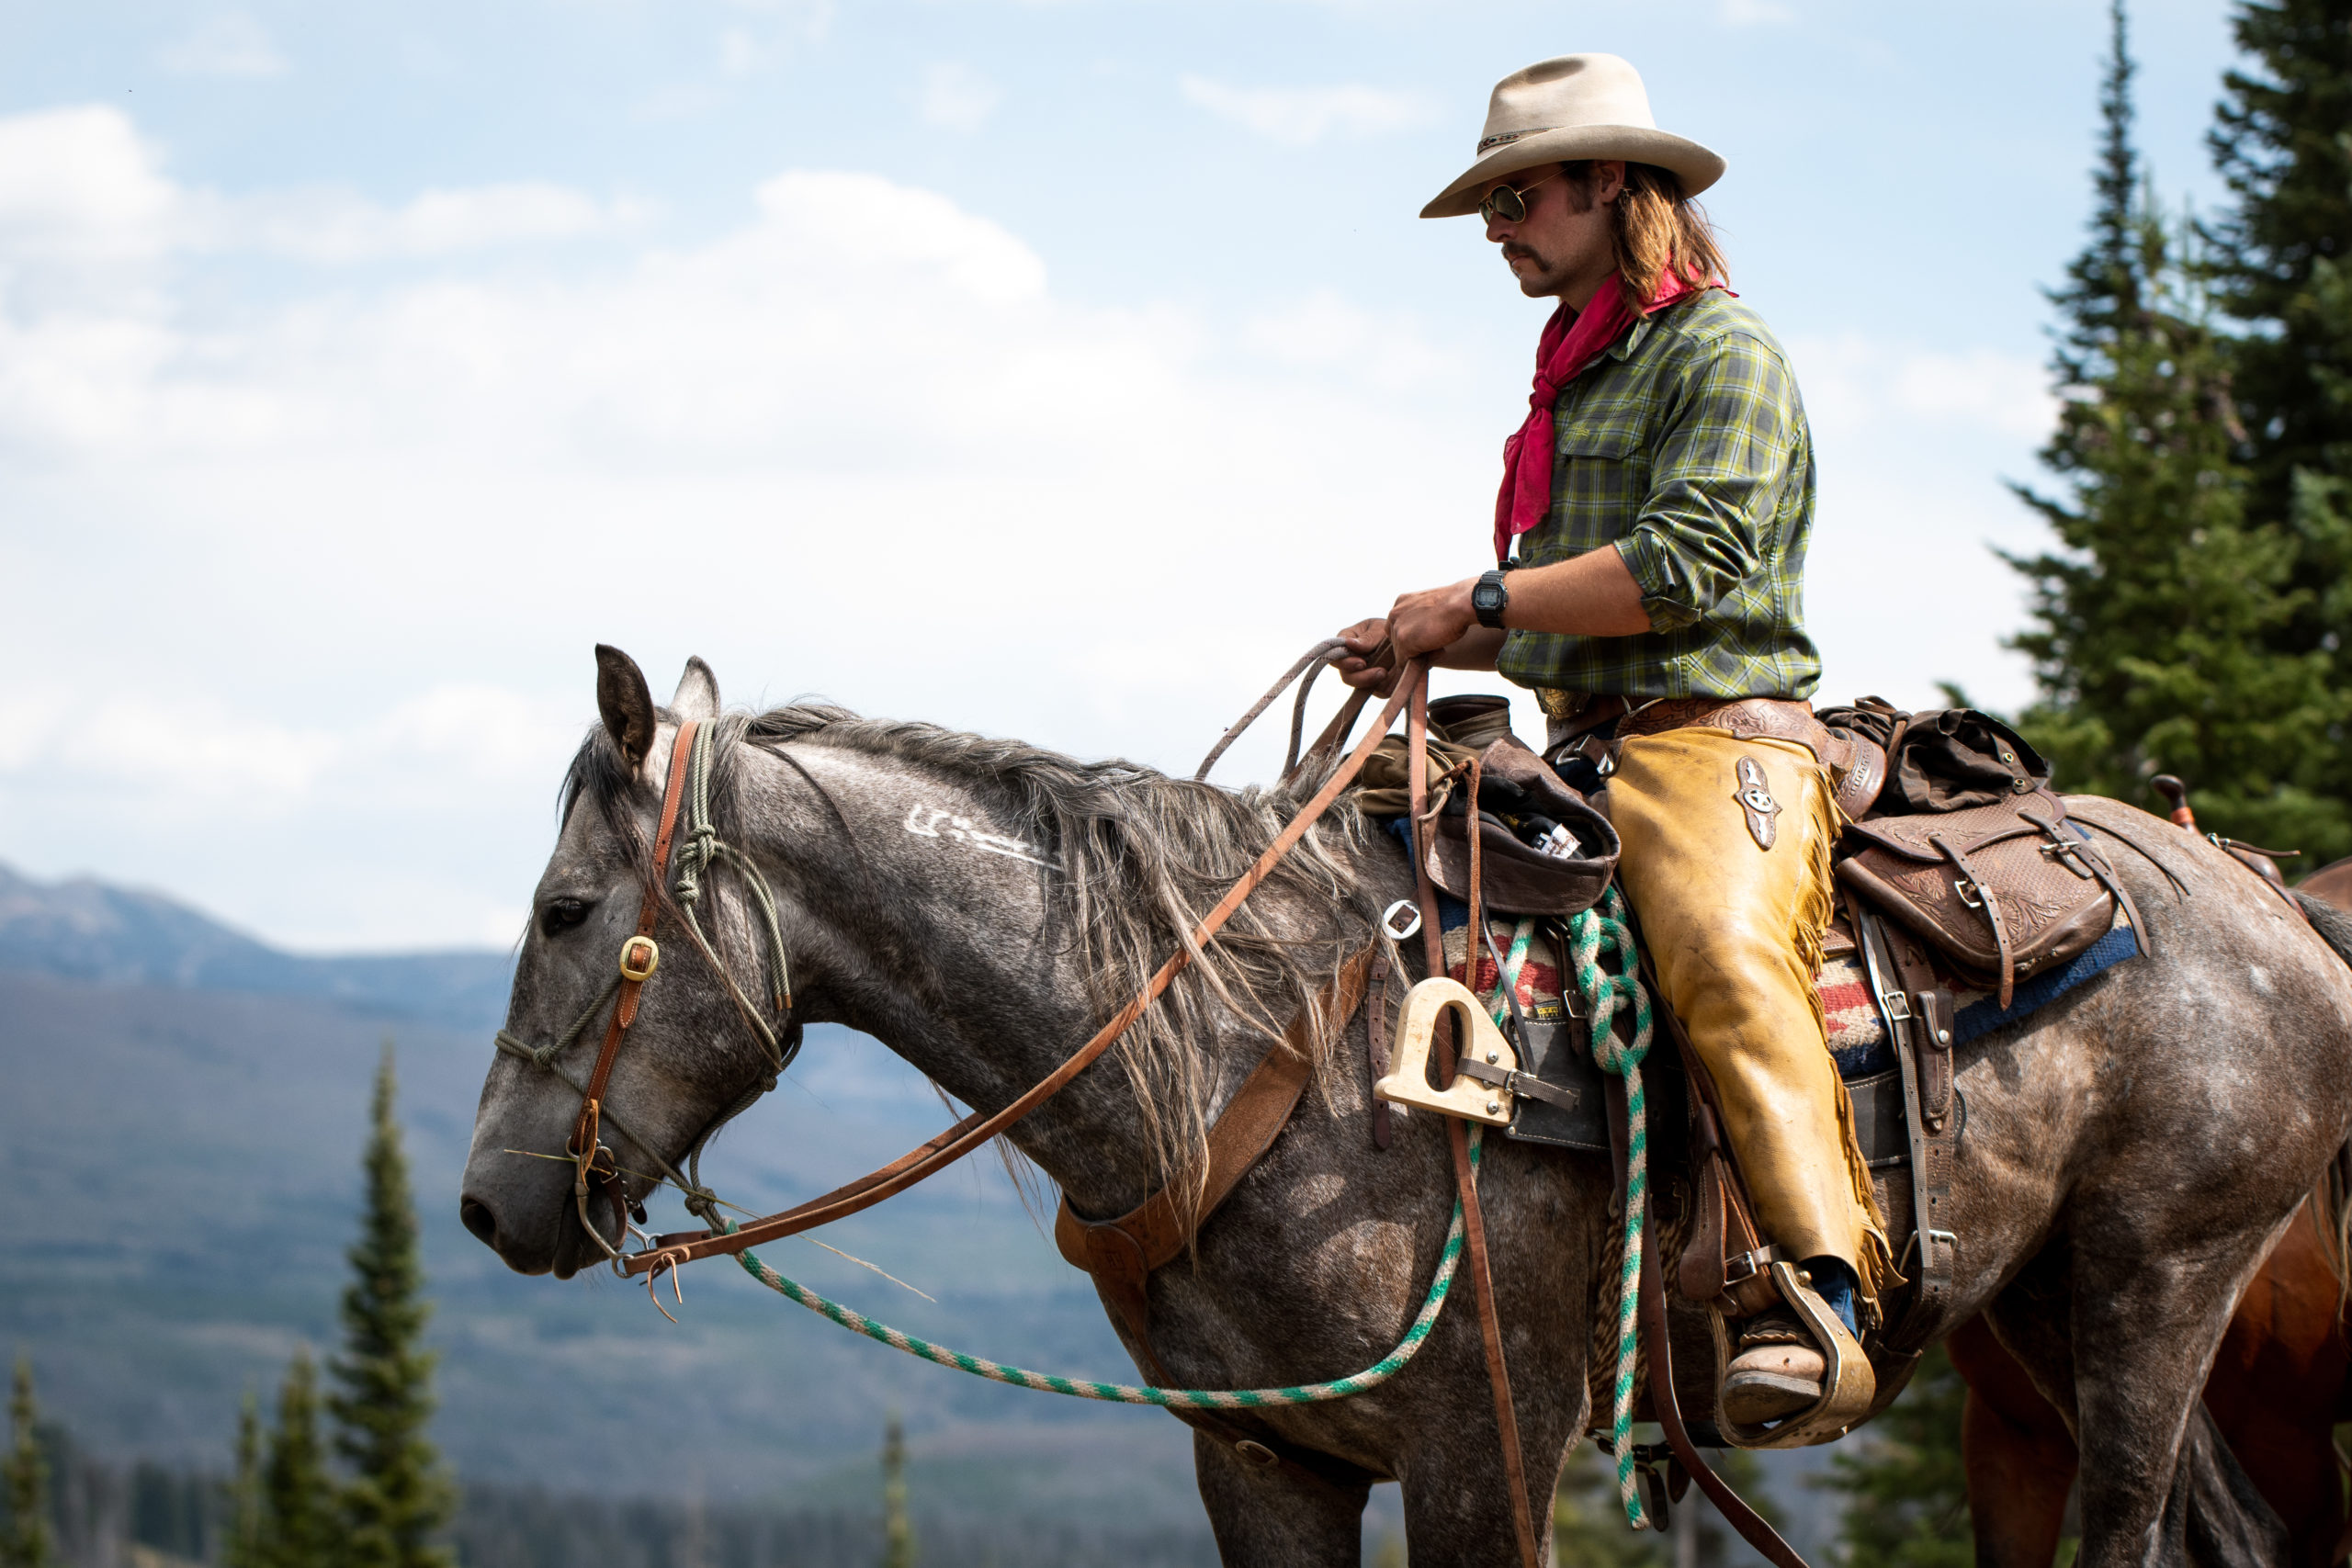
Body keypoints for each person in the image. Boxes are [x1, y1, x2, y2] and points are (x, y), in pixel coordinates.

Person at [1338, 52, 1890, 1426]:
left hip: (1718, 744)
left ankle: (1815, 1286)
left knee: (1711, 945)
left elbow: (1681, 569)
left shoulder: (1724, 352)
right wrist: (1422, 633)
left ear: (1610, 186)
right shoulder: (1573, 374)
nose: (1497, 227)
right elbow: (1558, 604)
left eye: (1518, 195)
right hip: (1580, 739)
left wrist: (1469, 600)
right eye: (1492, 201)